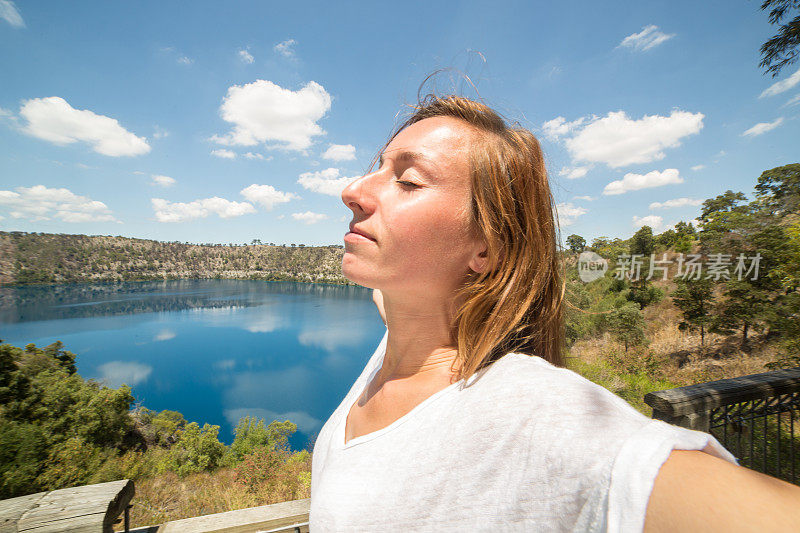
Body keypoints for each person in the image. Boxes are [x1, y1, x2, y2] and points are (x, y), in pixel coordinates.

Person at [309, 94, 800, 532]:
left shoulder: (537, 415)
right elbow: (403, 308)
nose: (354, 189)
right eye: (376, 166)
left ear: (486, 248)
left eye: (409, 180)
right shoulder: (403, 337)